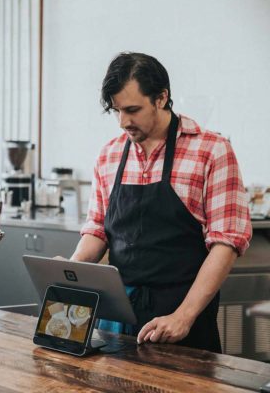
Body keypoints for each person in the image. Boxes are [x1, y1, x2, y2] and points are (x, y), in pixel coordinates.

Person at [70, 52, 252, 353]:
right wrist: (71, 270)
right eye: (116, 111)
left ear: (161, 98)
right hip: (118, 317)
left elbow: (226, 244)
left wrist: (183, 316)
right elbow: (98, 230)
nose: (122, 122)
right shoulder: (109, 154)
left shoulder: (212, 151)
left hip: (182, 317)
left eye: (132, 110)